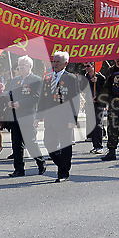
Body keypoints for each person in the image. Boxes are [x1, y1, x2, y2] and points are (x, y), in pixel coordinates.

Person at [34, 51, 79, 182]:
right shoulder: (48, 78)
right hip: (50, 119)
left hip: (65, 119)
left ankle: (63, 173)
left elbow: (75, 100)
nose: (55, 63)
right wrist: (38, 117)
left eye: (58, 61)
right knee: (49, 143)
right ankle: (62, 164)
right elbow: (43, 100)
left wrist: (73, 119)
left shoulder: (71, 78)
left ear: (66, 63)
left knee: (65, 145)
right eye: (54, 61)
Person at [4, 55, 46, 177]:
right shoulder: (13, 81)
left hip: (28, 116)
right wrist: (8, 102)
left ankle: (41, 162)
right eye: (20, 65)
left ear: (30, 67)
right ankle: (19, 169)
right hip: (14, 116)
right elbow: (7, 94)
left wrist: (19, 103)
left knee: (30, 142)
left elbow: (36, 97)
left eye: (24, 65)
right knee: (16, 144)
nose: (21, 67)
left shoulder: (36, 80)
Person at [83, 61, 106, 154]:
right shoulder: (86, 77)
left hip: (98, 104)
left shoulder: (101, 77)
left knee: (97, 124)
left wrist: (98, 83)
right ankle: (95, 145)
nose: (86, 68)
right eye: (85, 66)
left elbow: (105, 91)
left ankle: (99, 146)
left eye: (88, 66)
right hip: (89, 103)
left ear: (93, 66)